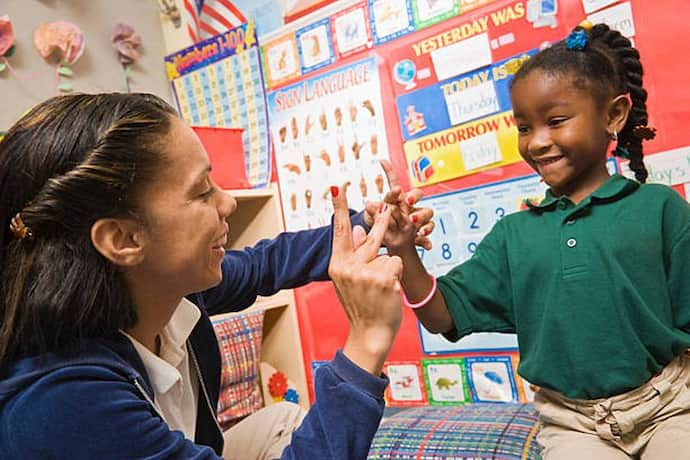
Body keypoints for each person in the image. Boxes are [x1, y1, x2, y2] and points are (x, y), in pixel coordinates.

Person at [0, 93, 433, 459]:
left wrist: (373, 229)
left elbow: (268, 263)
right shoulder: (65, 403)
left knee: (282, 418)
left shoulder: (168, 294)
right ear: (123, 238)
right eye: (203, 191)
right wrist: (367, 340)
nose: (227, 203)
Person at [384, 22, 690, 459]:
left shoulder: (659, 209)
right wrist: (402, 249)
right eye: (524, 128)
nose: (538, 142)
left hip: (670, 406)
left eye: (556, 121)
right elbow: (440, 315)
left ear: (614, 115)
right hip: (573, 424)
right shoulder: (514, 235)